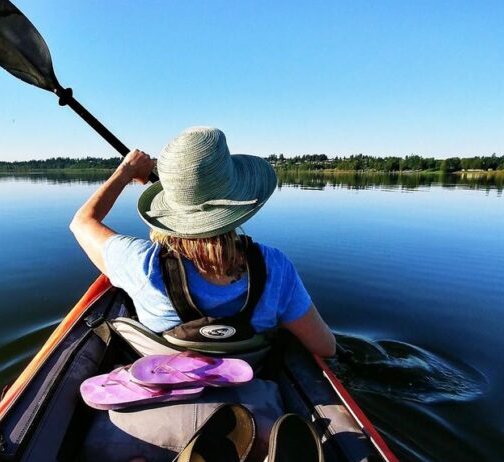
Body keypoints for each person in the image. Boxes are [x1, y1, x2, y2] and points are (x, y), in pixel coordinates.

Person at [69, 126, 335, 359]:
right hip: (252, 389)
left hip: (169, 393)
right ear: (239, 199)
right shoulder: (275, 267)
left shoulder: (140, 263)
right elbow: (326, 347)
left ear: (171, 208)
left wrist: (126, 171)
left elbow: (82, 222)